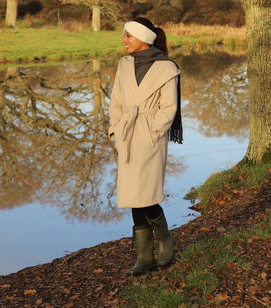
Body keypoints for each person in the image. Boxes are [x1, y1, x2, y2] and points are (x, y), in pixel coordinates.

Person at [108, 17, 182, 276]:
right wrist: (116, 128)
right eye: (124, 35)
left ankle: (164, 239)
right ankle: (143, 257)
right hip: (127, 134)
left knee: (147, 194)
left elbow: (169, 108)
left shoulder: (166, 68)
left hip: (150, 136)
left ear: (143, 38)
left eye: (128, 35)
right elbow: (115, 100)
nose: (123, 40)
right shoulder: (124, 64)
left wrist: (153, 133)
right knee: (132, 196)